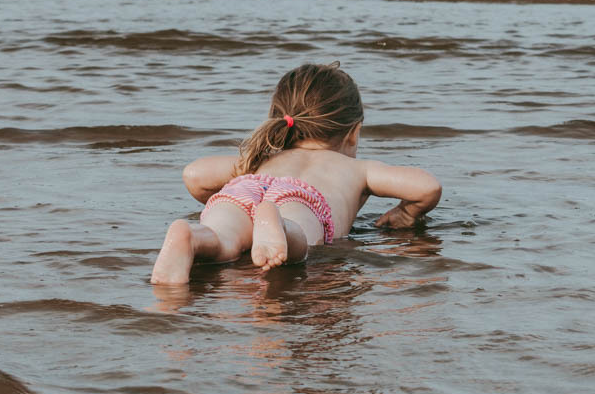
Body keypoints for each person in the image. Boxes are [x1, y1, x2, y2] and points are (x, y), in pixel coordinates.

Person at [151, 62, 443, 285]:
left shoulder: (258, 161)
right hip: (300, 201)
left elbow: (194, 174)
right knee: (299, 238)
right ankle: (280, 225)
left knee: (223, 238)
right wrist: (405, 214)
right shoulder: (356, 168)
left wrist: (245, 176)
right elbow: (426, 187)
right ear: (353, 133)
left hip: (244, 189)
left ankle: (193, 237)